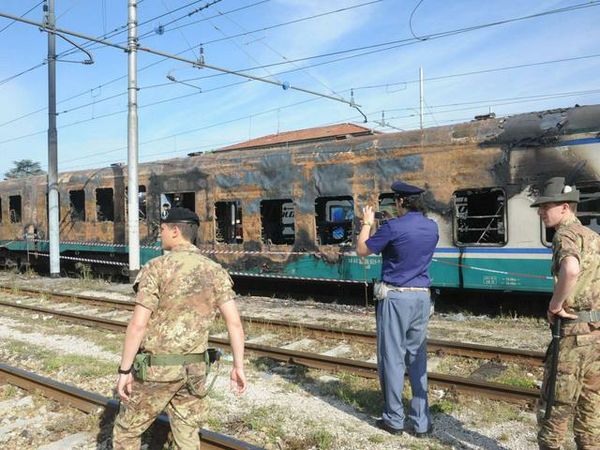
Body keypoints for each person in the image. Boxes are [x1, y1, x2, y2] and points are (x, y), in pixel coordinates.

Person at [112, 207, 247, 450]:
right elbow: (234, 323)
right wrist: (238, 366)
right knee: (186, 434)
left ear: (175, 231)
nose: (159, 235)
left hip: (158, 370)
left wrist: (124, 370)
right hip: (195, 370)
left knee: (127, 431)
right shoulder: (215, 271)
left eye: (161, 229)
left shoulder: (156, 268)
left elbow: (138, 324)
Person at [357, 181, 439, 436]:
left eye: (395, 201)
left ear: (401, 201)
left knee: (392, 358)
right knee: (417, 359)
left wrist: (367, 223)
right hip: (422, 298)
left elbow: (362, 250)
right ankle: (421, 422)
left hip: (396, 298)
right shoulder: (432, 227)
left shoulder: (392, 227)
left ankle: (393, 419)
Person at [530, 177, 600, 450]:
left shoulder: (565, 235)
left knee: (555, 408)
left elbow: (570, 269)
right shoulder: (593, 237)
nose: (540, 211)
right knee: (591, 408)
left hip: (572, 335)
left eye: (546, 206)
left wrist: (555, 305)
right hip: (596, 335)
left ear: (566, 207)